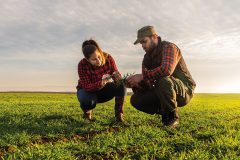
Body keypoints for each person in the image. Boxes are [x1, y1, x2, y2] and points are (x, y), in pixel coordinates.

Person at [126, 26, 196, 128]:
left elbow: (166, 70)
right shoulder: (146, 58)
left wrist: (142, 76)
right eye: (141, 43)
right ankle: (165, 111)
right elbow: (148, 84)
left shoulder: (169, 47)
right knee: (135, 99)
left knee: (163, 80)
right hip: (163, 90)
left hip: (185, 90)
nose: (142, 45)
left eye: (144, 41)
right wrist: (136, 84)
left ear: (154, 37)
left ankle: (172, 118)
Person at [76, 39, 126, 122]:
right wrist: (102, 82)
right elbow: (87, 87)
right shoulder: (82, 65)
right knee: (87, 101)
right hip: (87, 91)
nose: (98, 61)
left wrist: (120, 79)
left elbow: (115, 73)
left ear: (100, 51)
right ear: (87, 60)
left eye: (99, 57)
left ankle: (119, 115)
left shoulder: (108, 58)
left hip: (103, 90)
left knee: (121, 86)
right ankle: (87, 114)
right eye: (94, 59)